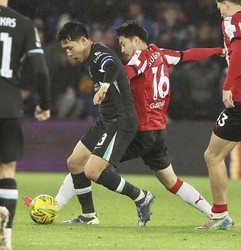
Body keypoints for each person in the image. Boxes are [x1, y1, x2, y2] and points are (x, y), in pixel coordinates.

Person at [25, 21, 225, 226]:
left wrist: (107, 84)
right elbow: (188, 54)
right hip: (157, 131)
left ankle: (137, 198)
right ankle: (216, 215)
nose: (122, 49)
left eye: (123, 44)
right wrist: (217, 50)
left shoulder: (136, 59)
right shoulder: (162, 54)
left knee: (91, 168)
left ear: (136, 40)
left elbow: (121, 70)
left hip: (136, 128)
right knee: (171, 182)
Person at [55, 21, 155, 227]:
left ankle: (141, 197)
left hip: (120, 120)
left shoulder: (99, 54)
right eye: (65, 50)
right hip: (106, 120)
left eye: (70, 47)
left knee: (92, 171)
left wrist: (106, 85)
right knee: (74, 162)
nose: (69, 53)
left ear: (83, 41)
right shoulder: (91, 57)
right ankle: (88, 216)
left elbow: (110, 65)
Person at [0, 0, 51, 249]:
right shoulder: (23, 24)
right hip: (8, 106)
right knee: (7, 171)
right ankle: (6, 238)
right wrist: (45, 103)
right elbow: (40, 71)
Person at [197, 0, 241, 230]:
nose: (217, 7)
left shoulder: (232, 22)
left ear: (226, 3)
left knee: (212, 156)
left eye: (218, 3)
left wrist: (228, 85)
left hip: (240, 100)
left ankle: (220, 215)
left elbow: (239, 55)